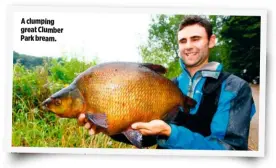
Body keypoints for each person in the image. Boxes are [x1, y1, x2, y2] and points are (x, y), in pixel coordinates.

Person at [78, 15, 256, 150]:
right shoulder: (165, 86)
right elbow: (146, 137)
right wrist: (108, 128)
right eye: (183, 41)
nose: (188, 46)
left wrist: (170, 133)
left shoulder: (236, 88)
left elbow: (230, 150)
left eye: (196, 39)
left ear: (211, 41)